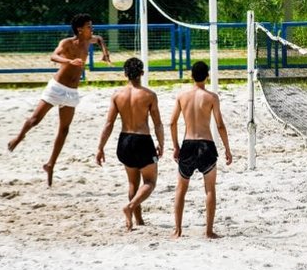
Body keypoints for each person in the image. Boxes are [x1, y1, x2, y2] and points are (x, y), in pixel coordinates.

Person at [7, 13, 111, 186]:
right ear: (80, 29)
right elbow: (53, 56)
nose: (92, 29)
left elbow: (99, 39)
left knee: (64, 130)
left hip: (72, 92)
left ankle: (50, 165)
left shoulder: (89, 40)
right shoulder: (67, 43)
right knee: (35, 120)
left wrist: (105, 53)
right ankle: (18, 137)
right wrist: (69, 61)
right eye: (89, 26)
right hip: (56, 88)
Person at [96, 57, 164, 231]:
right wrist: (161, 143)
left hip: (124, 141)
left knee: (133, 183)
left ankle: (136, 221)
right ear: (142, 73)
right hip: (142, 140)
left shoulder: (117, 95)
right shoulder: (149, 95)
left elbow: (109, 124)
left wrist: (100, 147)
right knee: (150, 182)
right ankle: (131, 207)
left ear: (125, 74)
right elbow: (157, 123)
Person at [170, 61, 232, 239]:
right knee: (210, 189)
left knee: (181, 189)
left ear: (191, 76)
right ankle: (209, 231)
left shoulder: (182, 96)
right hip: (206, 145)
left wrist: (176, 146)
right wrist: (227, 149)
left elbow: (172, 122)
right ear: (207, 76)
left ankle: (178, 230)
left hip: (188, 144)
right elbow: (220, 125)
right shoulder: (212, 97)